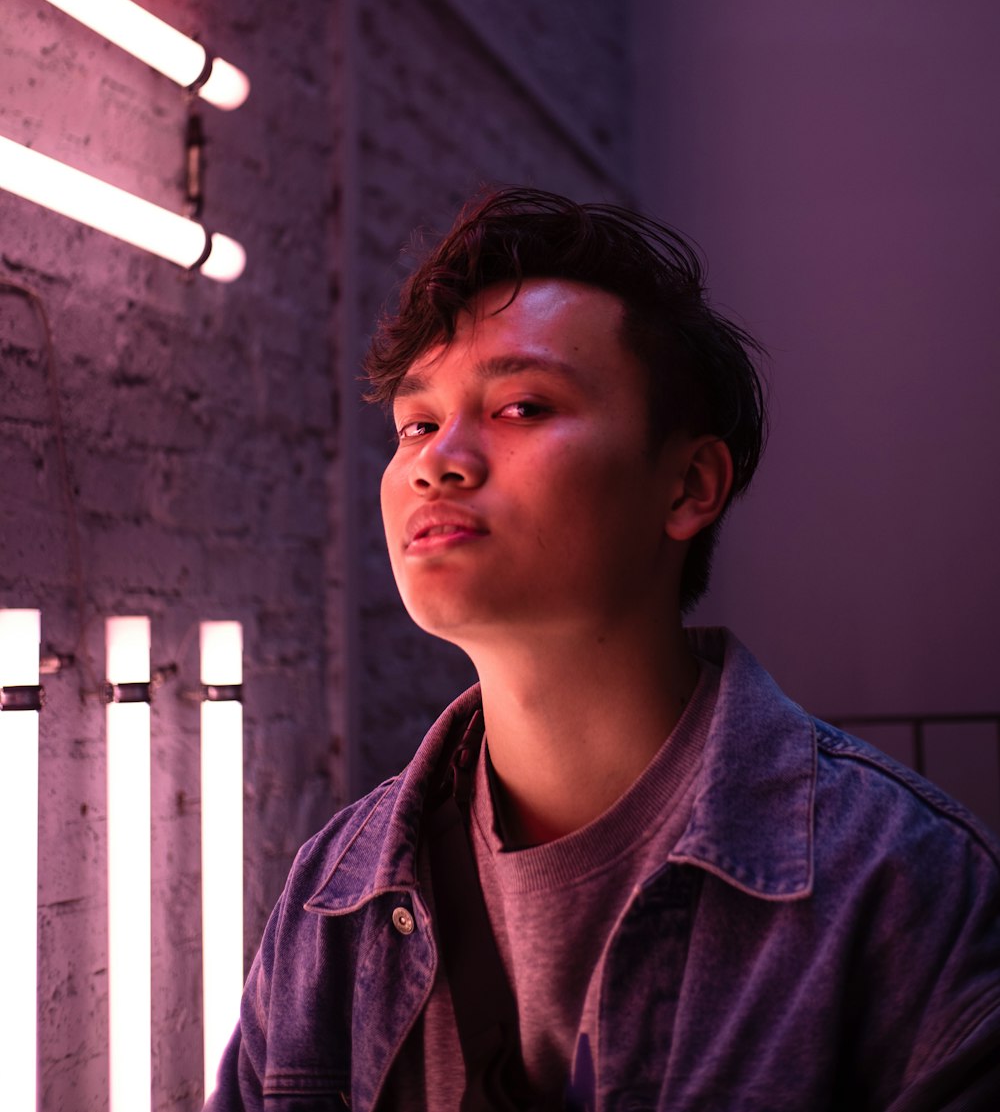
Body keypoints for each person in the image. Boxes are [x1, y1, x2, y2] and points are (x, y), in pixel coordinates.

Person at [208, 187, 1000, 1111]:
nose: (438, 459)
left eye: (522, 406)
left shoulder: (904, 886)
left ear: (689, 485)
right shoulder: (329, 901)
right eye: (417, 424)